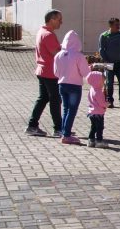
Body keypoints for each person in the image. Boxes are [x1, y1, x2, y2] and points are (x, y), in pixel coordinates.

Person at [25, 9, 64, 137]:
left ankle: (32, 125)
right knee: (55, 99)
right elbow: (56, 53)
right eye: (59, 19)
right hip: (49, 72)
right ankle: (58, 128)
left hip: (43, 71)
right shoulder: (48, 35)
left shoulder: (42, 32)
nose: (61, 22)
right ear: (52, 20)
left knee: (44, 98)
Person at [53, 30, 92, 145]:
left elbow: (56, 72)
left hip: (62, 84)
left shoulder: (58, 55)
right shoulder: (78, 56)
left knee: (66, 108)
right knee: (72, 110)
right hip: (74, 85)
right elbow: (85, 73)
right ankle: (66, 135)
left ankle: (64, 131)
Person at [98, 17, 120, 108]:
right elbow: (101, 49)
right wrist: (106, 60)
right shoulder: (104, 36)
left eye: (119, 24)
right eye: (116, 25)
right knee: (109, 83)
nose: (118, 26)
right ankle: (110, 101)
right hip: (109, 63)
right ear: (110, 25)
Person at [85, 70, 108, 148]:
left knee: (93, 127)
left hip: (92, 112)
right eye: (102, 81)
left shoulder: (92, 89)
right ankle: (99, 141)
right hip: (98, 113)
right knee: (100, 128)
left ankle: (91, 140)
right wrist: (107, 104)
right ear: (97, 81)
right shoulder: (98, 91)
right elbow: (101, 102)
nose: (103, 83)